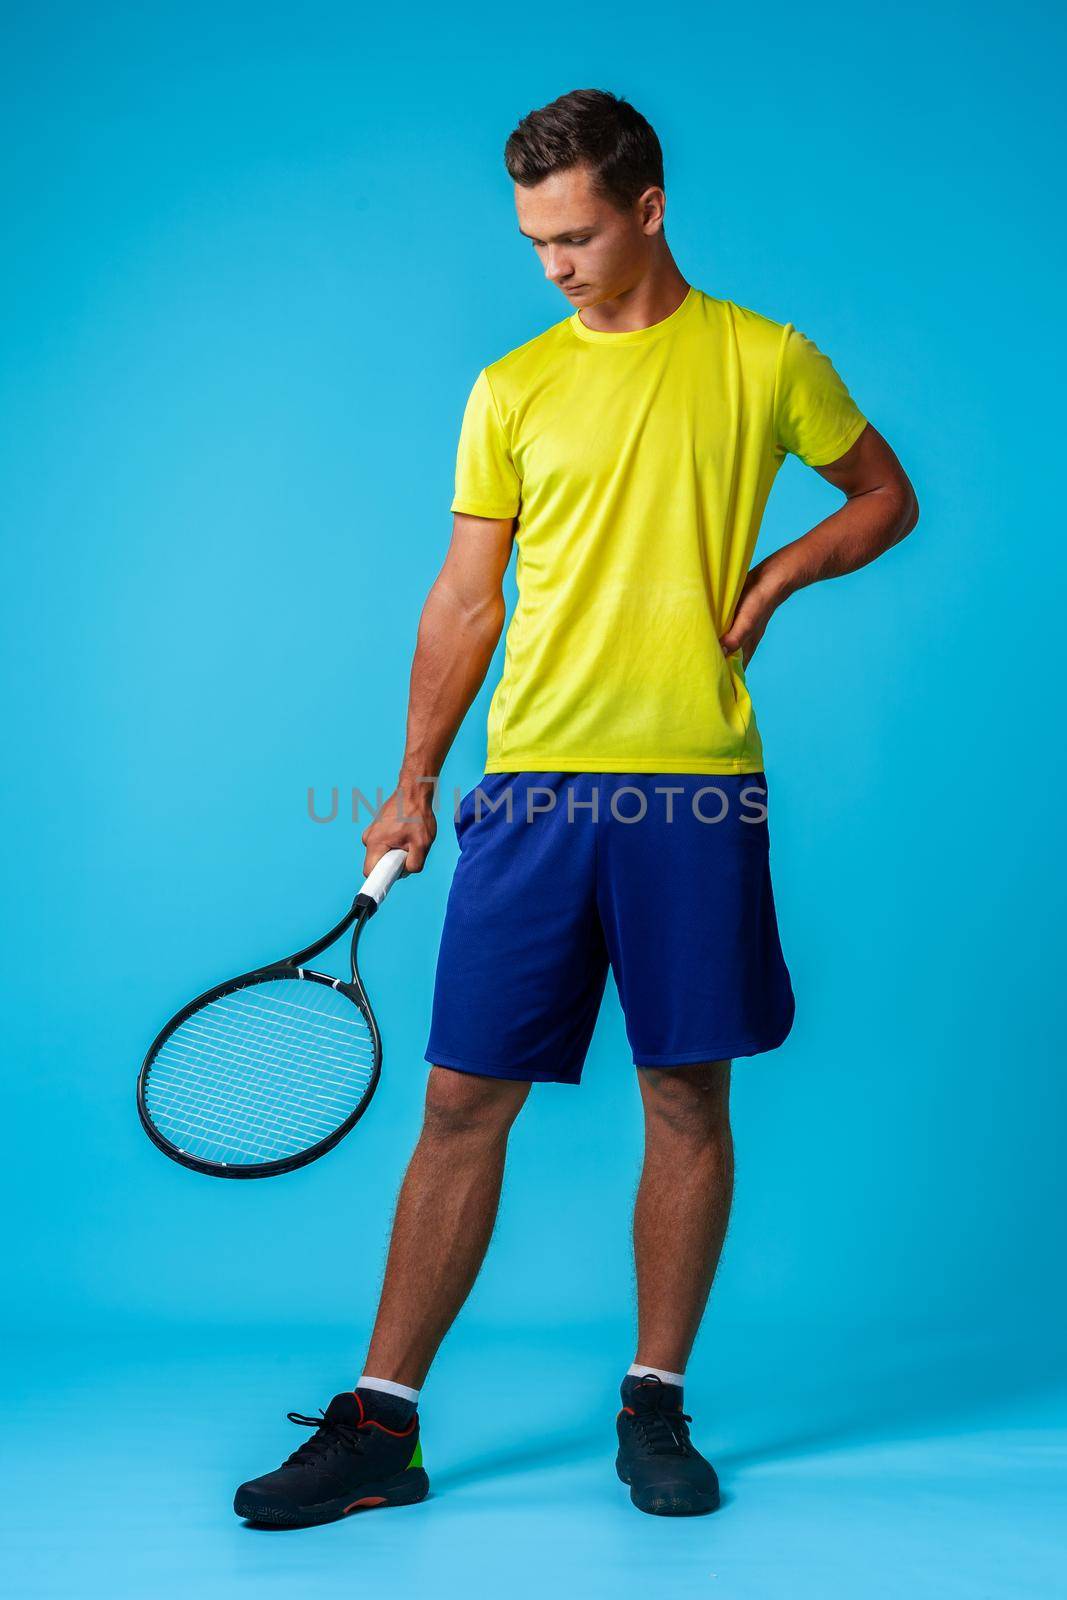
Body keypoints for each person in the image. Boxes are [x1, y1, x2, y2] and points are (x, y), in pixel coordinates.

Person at [234, 87, 918, 1526]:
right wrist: (411, 784)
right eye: (535, 238)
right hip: (534, 789)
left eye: (579, 231)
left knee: (685, 1094)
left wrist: (780, 577)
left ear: (649, 207)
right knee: (461, 1099)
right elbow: (466, 598)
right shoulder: (512, 385)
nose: (554, 260)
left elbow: (882, 498)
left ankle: (655, 1404)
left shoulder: (763, 357)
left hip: (696, 791)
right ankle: (382, 1427)